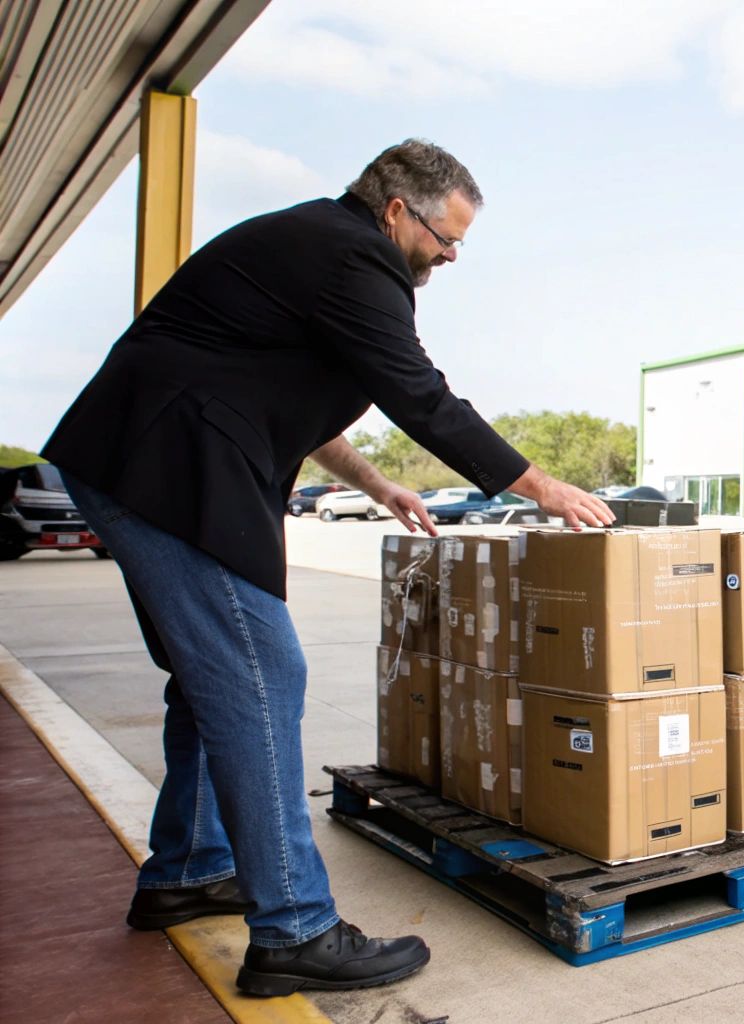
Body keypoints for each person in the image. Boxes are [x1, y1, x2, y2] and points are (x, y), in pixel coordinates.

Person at [41, 139, 615, 996]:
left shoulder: (316, 251)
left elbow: (311, 414)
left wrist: (377, 484)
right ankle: (295, 929)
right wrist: (540, 485)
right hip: (171, 468)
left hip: (142, 459)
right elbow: (421, 395)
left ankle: (189, 870)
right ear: (397, 211)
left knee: (207, 681)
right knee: (261, 676)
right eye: (445, 237)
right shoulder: (354, 258)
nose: (451, 255)